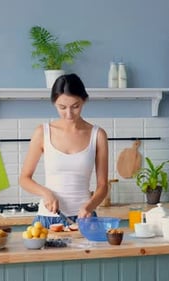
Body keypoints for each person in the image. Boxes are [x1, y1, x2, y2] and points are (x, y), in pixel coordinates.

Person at [19, 73, 109, 228]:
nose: (69, 114)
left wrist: (89, 206)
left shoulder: (98, 135)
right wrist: (46, 193)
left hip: (85, 219)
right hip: (48, 218)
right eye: (62, 107)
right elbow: (24, 179)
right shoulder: (43, 132)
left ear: (84, 101)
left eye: (75, 106)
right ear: (54, 103)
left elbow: (103, 185)